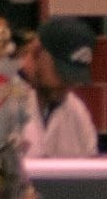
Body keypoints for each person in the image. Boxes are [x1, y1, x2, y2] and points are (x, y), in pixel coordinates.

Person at [19, 16, 101, 159]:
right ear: (37, 51)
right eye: (61, 71)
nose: (68, 82)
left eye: (74, 76)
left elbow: (90, 172)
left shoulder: (77, 112)